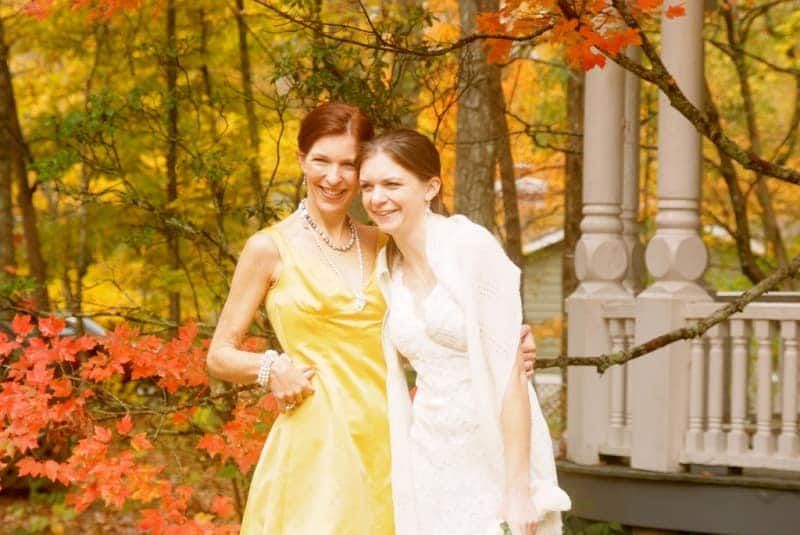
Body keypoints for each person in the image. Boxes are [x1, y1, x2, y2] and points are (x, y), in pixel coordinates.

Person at [206, 103, 539, 534]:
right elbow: (218, 355)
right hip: (317, 442)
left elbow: (438, 320)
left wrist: (510, 344)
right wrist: (270, 367)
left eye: (348, 165)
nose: (333, 177)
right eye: (321, 160)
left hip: (398, 440)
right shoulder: (268, 248)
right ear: (301, 160)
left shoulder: (386, 242)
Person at [359, 129, 571, 535]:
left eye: (392, 184)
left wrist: (517, 488)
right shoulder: (388, 265)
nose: (376, 197)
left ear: (430, 186)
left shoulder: (469, 247)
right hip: (429, 453)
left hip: (493, 448)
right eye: (368, 186)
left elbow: (511, 377)